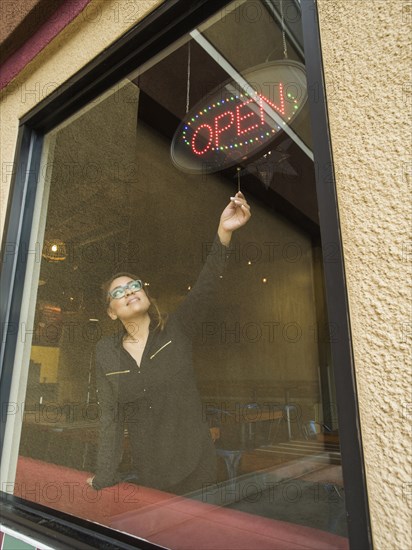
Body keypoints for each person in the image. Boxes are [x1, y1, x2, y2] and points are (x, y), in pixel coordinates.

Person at [87, 191, 251, 494]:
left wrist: (223, 233)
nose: (129, 291)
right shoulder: (105, 354)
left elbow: (206, 284)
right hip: (151, 472)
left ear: (146, 295)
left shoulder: (177, 327)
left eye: (134, 285)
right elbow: (110, 419)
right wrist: (104, 478)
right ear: (110, 312)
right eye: (118, 292)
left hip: (197, 465)